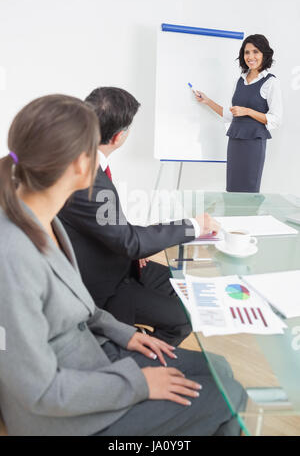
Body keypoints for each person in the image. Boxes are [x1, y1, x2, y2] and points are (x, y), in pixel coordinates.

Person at [0, 94, 247, 436]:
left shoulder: (45, 220)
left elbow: (76, 307)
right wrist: (139, 384)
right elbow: (39, 392)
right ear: (80, 166)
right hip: (66, 408)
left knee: (218, 367)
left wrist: (126, 335)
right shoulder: (12, 255)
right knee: (230, 395)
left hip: (93, 352)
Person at [59, 87, 220, 346]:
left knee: (188, 289)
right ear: (119, 137)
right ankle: (129, 351)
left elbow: (114, 230)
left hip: (120, 261)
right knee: (185, 318)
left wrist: (133, 246)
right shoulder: (88, 178)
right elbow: (129, 240)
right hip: (104, 286)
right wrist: (194, 225)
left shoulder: (79, 159)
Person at [195, 34, 282, 193]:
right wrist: (207, 101)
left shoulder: (270, 82)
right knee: (232, 190)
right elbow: (231, 114)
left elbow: (276, 119)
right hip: (235, 142)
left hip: (254, 143)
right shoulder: (239, 81)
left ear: (264, 54)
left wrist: (248, 111)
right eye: (247, 52)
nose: (250, 56)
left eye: (255, 52)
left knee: (249, 190)